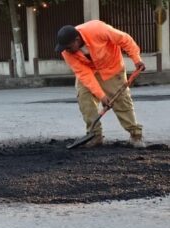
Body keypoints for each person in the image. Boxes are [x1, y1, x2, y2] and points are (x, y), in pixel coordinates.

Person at [55, 20, 146, 148]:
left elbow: (125, 39)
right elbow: (84, 74)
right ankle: (95, 135)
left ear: (76, 39)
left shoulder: (97, 29)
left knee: (122, 101)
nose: (66, 51)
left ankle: (136, 135)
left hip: (111, 68)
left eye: (68, 47)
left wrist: (136, 59)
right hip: (90, 72)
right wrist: (102, 96)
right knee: (84, 98)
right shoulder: (66, 52)